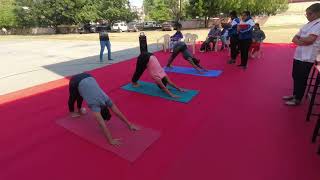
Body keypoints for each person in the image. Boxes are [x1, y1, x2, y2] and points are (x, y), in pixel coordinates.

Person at [68, 73, 139, 146]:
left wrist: (129, 124)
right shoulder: (95, 106)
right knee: (73, 97)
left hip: (88, 76)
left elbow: (117, 112)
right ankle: (72, 112)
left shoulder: (107, 99)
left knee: (82, 93)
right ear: (100, 113)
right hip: (76, 81)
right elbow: (102, 124)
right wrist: (110, 140)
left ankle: (79, 110)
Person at [283, 3, 320, 106]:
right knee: (295, 76)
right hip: (299, 55)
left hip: (307, 57)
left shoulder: (318, 24)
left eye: (309, 14)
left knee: (302, 78)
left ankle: (298, 99)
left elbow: (310, 40)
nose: (307, 16)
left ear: (317, 13)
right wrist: (301, 40)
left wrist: (300, 39)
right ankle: (295, 95)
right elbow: (294, 38)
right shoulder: (307, 24)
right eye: (306, 14)